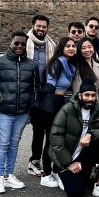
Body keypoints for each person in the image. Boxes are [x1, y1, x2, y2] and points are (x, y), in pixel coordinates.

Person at [0, 31, 39, 194]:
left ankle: (8, 175)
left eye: (23, 44)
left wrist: (31, 107)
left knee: (14, 144)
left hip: (22, 113)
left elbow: (35, 88)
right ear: (11, 43)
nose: (19, 46)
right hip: (3, 111)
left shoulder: (31, 65)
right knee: (3, 144)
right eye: (17, 43)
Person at [48, 78, 99, 197]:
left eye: (93, 95)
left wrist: (91, 134)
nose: (90, 99)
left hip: (85, 154)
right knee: (76, 194)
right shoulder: (67, 109)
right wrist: (68, 163)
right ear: (80, 95)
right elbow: (55, 137)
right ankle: (60, 172)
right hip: (67, 157)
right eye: (86, 95)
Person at [39, 37, 78, 187]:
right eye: (67, 46)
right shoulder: (57, 63)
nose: (71, 48)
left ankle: (56, 170)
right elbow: (50, 87)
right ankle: (46, 173)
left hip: (61, 103)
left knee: (60, 139)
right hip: (51, 104)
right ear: (61, 48)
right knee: (51, 139)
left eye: (73, 46)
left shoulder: (70, 65)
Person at [27, 14, 57, 177]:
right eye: (38, 26)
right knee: (37, 130)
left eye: (44, 27)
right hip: (31, 92)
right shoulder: (24, 43)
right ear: (33, 25)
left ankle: (47, 161)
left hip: (46, 93)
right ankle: (34, 160)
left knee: (48, 129)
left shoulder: (51, 45)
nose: (41, 29)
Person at [71, 37, 99, 107]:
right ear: (79, 50)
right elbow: (76, 89)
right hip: (81, 103)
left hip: (96, 103)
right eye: (83, 48)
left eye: (89, 47)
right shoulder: (76, 66)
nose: (87, 50)